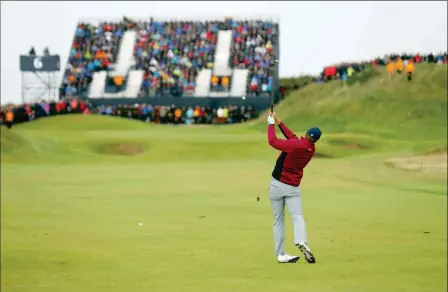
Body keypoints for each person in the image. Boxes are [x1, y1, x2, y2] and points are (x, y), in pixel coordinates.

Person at [266, 111, 321, 264]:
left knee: (278, 221)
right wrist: (279, 122)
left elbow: (273, 141)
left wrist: (270, 124)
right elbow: (293, 138)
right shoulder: (310, 148)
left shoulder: (297, 145)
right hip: (293, 188)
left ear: (307, 134)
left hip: (277, 185)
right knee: (297, 216)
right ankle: (301, 240)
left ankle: (280, 254)